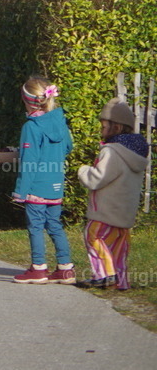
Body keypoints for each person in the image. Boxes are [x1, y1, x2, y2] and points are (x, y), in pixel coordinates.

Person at [9, 76, 75, 284]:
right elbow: (67, 147)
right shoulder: (59, 120)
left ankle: (38, 268)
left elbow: (29, 161)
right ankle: (66, 269)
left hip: (36, 186)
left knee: (36, 227)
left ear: (26, 99)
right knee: (54, 224)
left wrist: (20, 191)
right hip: (56, 184)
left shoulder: (31, 127)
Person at [76, 99, 148, 290]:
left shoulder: (112, 151)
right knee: (119, 248)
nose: (101, 130)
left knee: (94, 238)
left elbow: (97, 178)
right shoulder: (137, 153)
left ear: (115, 127)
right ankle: (121, 282)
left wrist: (83, 171)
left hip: (105, 212)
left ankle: (104, 275)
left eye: (103, 126)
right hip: (124, 213)